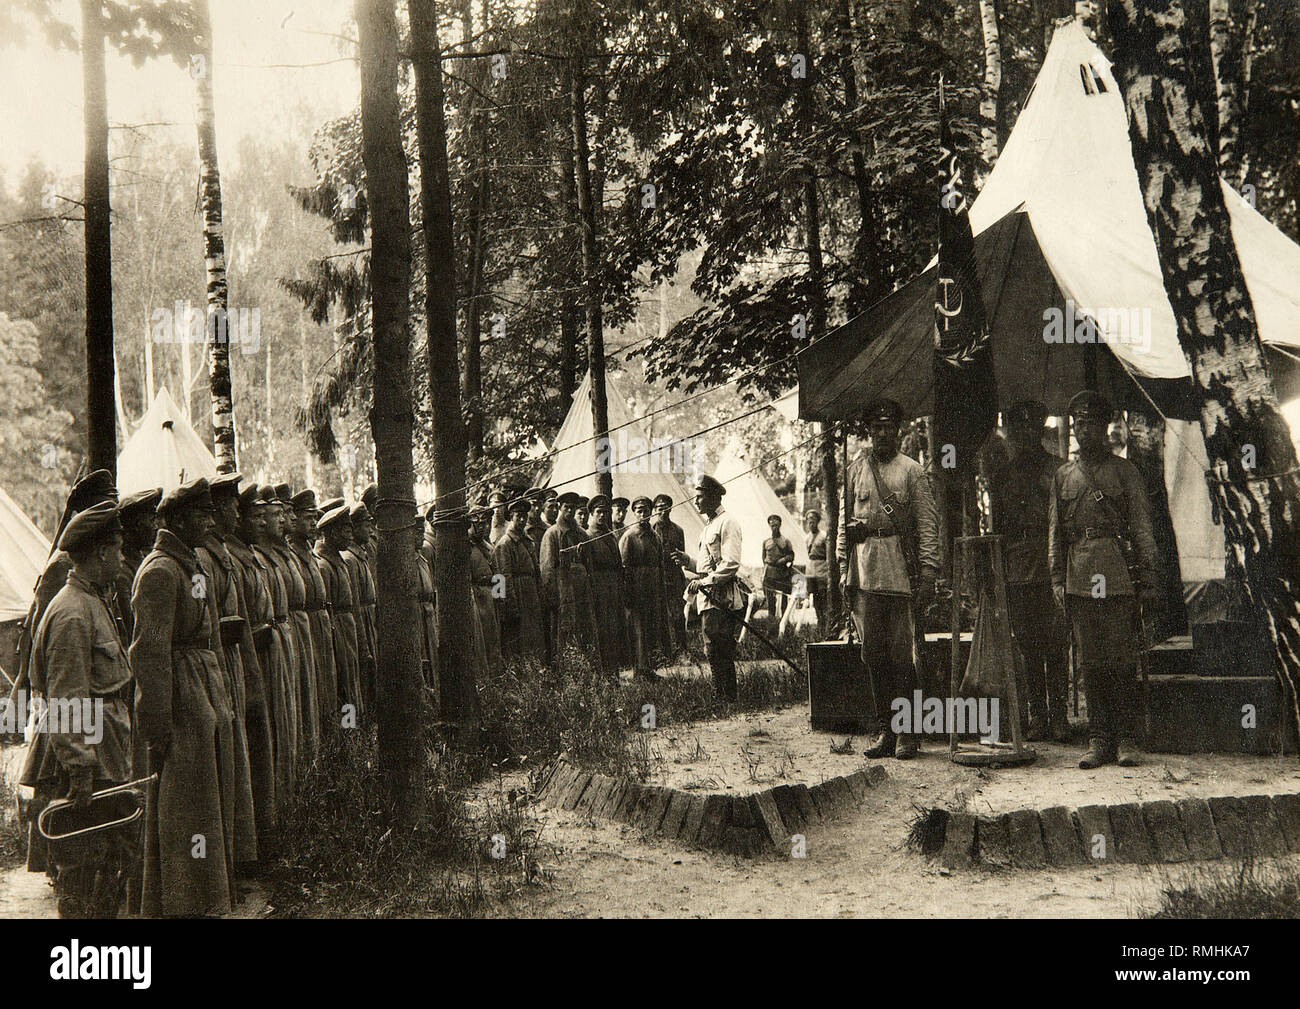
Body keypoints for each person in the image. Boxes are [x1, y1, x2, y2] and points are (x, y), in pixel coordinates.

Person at [21, 501, 135, 918]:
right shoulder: (72, 612)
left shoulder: (90, 601)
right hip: (87, 766)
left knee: (107, 869)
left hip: (103, 755)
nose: (123, 558)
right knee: (85, 873)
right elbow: (67, 700)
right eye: (118, 549)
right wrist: (80, 771)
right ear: (101, 553)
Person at [131, 478, 238, 917]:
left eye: (211, 513)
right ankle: (180, 900)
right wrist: (157, 725)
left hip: (201, 692)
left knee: (205, 802)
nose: (210, 522)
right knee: (182, 806)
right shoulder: (159, 572)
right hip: (181, 700)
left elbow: (203, 629)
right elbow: (149, 655)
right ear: (176, 520)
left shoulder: (190, 565)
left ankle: (205, 893)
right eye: (201, 514)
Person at [1050, 390, 1159, 769]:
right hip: (1080, 576)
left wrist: (1148, 577)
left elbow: (1143, 527)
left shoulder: (1124, 472)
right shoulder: (1063, 476)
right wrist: (1056, 579)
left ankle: (1127, 739)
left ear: (1105, 427)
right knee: (1091, 662)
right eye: (1079, 424)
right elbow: (1055, 533)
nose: (1084, 431)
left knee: (1121, 659)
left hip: (1116, 575)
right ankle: (1099, 739)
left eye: (1092, 424)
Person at [838, 398, 940, 760]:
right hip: (865, 573)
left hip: (900, 573)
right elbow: (843, 525)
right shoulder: (855, 470)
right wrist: (842, 570)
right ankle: (886, 730)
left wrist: (928, 573)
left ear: (898, 430)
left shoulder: (911, 471)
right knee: (874, 656)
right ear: (869, 431)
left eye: (888, 427)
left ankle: (909, 733)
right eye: (875, 428)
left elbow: (928, 525)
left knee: (903, 658)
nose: (881, 433)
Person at [989, 399, 1070, 742]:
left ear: (1041, 429)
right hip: (1019, 568)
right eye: (1017, 428)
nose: (1024, 434)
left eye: (1030, 427)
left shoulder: (1059, 469)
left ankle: (1060, 716)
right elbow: (998, 527)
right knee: (1028, 644)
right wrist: (997, 574)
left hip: (1053, 564)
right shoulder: (1002, 475)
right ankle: (1038, 715)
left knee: (1057, 641)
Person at [195, 475, 258, 868]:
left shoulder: (220, 555)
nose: (236, 511)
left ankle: (240, 850)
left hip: (229, 659)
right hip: (214, 662)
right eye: (230, 506)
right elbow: (203, 616)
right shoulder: (203, 561)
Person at [219, 479, 277, 846]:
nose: (253, 520)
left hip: (259, 655)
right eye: (249, 514)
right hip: (244, 657)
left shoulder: (245, 557)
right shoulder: (228, 559)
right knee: (250, 742)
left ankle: (265, 825)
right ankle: (252, 836)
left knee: (262, 737)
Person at [673, 475, 744, 701]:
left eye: (700, 496)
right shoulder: (709, 526)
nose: (696, 501)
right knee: (712, 646)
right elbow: (706, 565)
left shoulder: (727, 522)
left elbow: (731, 563)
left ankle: (726, 697)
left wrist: (704, 582)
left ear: (713, 497)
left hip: (721, 595)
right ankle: (722, 695)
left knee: (718, 647)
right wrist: (688, 561)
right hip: (708, 595)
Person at [290, 489, 338, 738]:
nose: (313, 524)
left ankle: (336, 740)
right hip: (305, 627)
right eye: (308, 518)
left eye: (314, 518)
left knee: (329, 684)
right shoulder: (293, 555)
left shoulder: (308, 553)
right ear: (294, 519)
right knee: (314, 687)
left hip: (321, 624)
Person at [539, 491, 598, 663]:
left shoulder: (582, 534)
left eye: (573, 508)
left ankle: (586, 669)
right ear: (559, 508)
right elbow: (547, 568)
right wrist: (551, 596)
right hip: (562, 591)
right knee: (563, 631)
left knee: (584, 628)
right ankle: (565, 670)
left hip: (582, 592)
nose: (570, 512)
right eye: (566, 508)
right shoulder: (551, 534)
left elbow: (590, 567)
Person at [316, 506, 364, 715]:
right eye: (345, 531)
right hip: (337, 633)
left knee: (352, 678)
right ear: (332, 533)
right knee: (342, 681)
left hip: (347, 628)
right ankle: (345, 732)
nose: (349, 535)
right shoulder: (324, 566)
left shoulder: (340, 562)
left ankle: (352, 731)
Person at [621, 496, 670, 680]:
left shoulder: (655, 536)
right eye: (639, 511)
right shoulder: (629, 536)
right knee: (638, 630)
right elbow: (624, 567)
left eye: (646, 511)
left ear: (651, 512)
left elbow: (660, 564)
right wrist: (628, 592)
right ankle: (639, 670)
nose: (643, 514)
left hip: (653, 589)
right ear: (634, 513)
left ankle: (649, 669)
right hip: (637, 589)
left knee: (651, 627)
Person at [493, 498, 546, 664]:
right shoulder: (504, 544)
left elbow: (536, 570)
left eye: (524, 516)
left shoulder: (528, 541)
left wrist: (540, 593)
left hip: (531, 595)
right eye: (518, 516)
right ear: (511, 517)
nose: (522, 520)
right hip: (516, 595)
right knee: (518, 641)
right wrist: (508, 605)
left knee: (534, 638)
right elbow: (502, 577)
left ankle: (536, 673)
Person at [585, 494, 628, 679]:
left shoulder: (610, 535)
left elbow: (618, 564)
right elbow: (588, 568)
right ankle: (603, 674)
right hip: (599, 590)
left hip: (613, 589)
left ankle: (614, 672)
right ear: (592, 514)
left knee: (614, 630)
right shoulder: (588, 536)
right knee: (602, 632)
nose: (602, 516)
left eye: (605, 512)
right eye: (599, 512)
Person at [343, 504, 378, 710]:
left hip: (369, 618)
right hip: (360, 623)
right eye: (366, 526)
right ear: (355, 528)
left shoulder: (360, 556)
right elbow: (354, 603)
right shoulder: (350, 560)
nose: (370, 530)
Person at [469, 503, 504, 674]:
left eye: (486, 523)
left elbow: (498, 572)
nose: (483, 527)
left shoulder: (488, 545)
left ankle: (496, 675)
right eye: (479, 524)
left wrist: (500, 596)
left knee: (494, 638)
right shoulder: (466, 547)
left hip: (491, 598)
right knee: (482, 639)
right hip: (478, 598)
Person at [651, 493, 687, 657]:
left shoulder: (678, 530)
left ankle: (681, 651)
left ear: (670, 509)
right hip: (658, 578)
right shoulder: (651, 530)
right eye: (659, 508)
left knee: (678, 615)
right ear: (655, 510)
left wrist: (678, 560)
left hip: (674, 577)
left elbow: (683, 555)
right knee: (658, 616)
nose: (662, 512)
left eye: (666, 508)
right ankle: (663, 653)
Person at [414, 505, 439, 691]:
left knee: (433, 652)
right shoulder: (409, 560)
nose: (421, 537)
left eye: (422, 532)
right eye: (417, 533)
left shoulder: (422, 557)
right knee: (423, 654)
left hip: (429, 612)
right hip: (417, 615)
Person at [762, 514, 796, 628]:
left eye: (776, 525)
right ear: (769, 526)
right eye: (772, 525)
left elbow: (791, 555)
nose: (774, 528)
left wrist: (783, 560)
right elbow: (764, 558)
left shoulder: (785, 541)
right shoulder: (766, 542)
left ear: (780, 525)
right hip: (770, 573)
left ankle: (784, 622)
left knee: (784, 600)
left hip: (782, 573)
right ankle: (771, 623)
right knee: (770, 600)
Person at [803, 509, 829, 637]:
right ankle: (819, 622)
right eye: (808, 519)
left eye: (813, 519)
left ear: (818, 521)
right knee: (815, 599)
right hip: (811, 571)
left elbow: (828, 555)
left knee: (823, 597)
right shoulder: (807, 537)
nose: (810, 522)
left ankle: (825, 624)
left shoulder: (824, 536)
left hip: (822, 570)